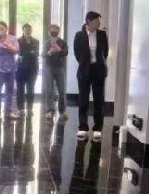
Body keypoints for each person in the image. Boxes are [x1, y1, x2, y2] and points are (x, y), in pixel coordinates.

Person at [73, 11, 109, 141]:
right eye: (96, 21)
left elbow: (105, 52)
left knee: (99, 99)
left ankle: (97, 128)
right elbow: (77, 54)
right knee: (83, 99)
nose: (98, 24)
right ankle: (83, 127)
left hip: (98, 70)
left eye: (99, 21)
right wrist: (86, 63)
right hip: (84, 70)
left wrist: (98, 63)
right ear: (88, 21)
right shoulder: (79, 35)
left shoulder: (102, 35)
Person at [0, 21, 19, 121]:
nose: (0, 31)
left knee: (10, 91)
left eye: (2, 29)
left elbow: (16, 50)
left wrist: (6, 44)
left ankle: (8, 111)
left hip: (11, 68)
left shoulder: (13, 38)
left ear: (6, 28)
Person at [42, 22, 69, 121]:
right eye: (52, 30)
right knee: (49, 90)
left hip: (60, 68)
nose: (54, 32)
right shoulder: (46, 43)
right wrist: (50, 52)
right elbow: (43, 55)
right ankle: (49, 111)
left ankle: (62, 111)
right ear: (49, 32)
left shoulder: (63, 42)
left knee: (62, 90)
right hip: (49, 68)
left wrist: (58, 49)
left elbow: (65, 53)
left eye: (56, 30)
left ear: (58, 31)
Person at [16, 23, 40, 115]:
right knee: (20, 89)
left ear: (31, 30)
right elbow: (19, 52)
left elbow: (36, 53)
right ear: (23, 30)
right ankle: (20, 109)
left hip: (33, 68)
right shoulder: (18, 40)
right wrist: (30, 52)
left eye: (29, 30)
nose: (28, 31)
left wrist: (27, 52)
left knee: (31, 88)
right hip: (20, 68)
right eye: (26, 30)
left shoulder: (36, 41)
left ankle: (30, 108)